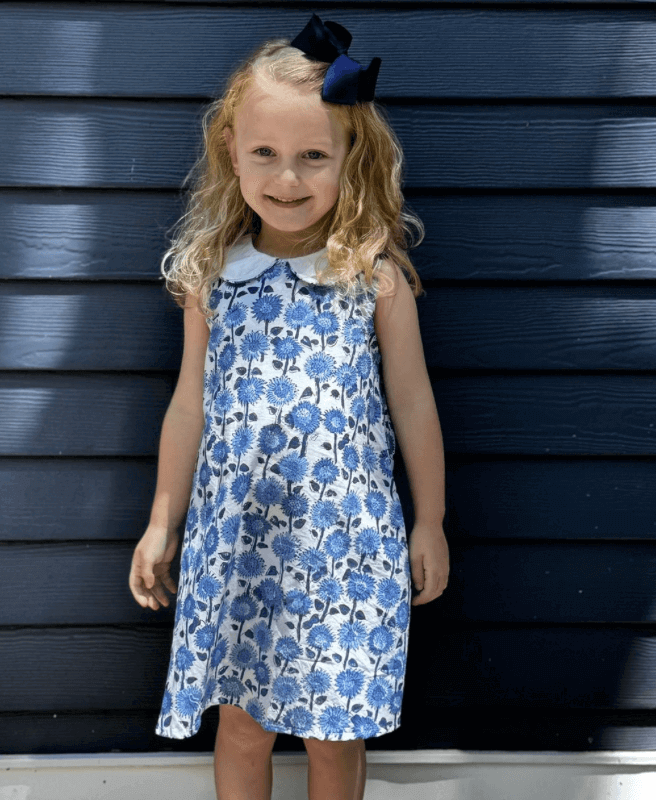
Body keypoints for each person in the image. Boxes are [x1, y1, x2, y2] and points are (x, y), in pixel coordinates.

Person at [129, 13, 449, 800]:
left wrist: (430, 519)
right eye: (265, 154)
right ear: (230, 153)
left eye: (313, 156)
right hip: (238, 544)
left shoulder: (372, 277)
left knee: (333, 734)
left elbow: (413, 404)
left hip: (344, 549)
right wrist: (163, 520)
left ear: (351, 161)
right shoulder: (212, 277)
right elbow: (187, 408)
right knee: (241, 725)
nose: (288, 178)